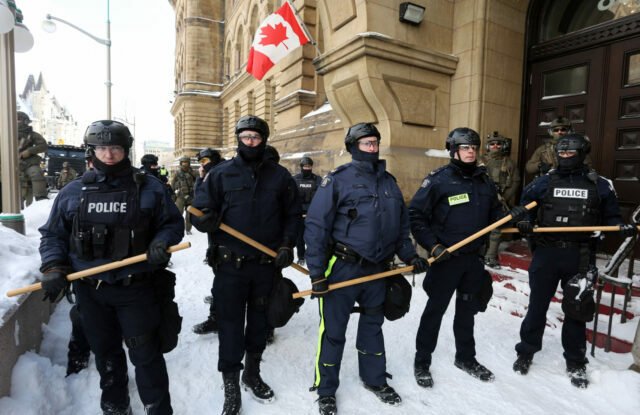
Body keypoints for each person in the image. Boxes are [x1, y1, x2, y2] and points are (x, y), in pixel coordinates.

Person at [38, 120, 184, 414]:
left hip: (136, 289)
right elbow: (53, 235)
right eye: (101, 148)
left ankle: (158, 409)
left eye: (115, 148)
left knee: (146, 354)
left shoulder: (150, 188)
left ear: (126, 150)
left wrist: (162, 241)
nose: (109, 155)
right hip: (91, 291)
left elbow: (171, 224)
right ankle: (116, 406)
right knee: (106, 354)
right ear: (91, 151)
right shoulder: (72, 192)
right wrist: (53, 267)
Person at [305, 122, 429, 415]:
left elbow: (400, 227)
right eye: (366, 143)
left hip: (378, 270)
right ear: (353, 147)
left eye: (375, 143)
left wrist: (410, 256)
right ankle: (326, 390)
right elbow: (316, 226)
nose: (372, 148)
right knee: (333, 332)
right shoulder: (337, 180)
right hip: (343, 268)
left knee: (373, 327)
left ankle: (374, 379)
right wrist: (317, 272)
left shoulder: (389, 182)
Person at [190, 115, 301, 414]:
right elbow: (198, 210)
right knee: (229, 326)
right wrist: (204, 219)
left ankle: (252, 373)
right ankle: (231, 383)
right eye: (245, 137)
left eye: (256, 137)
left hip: (265, 266)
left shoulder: (280, 177)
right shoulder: (220, 174)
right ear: (239, 139)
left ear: (264, 140)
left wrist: (287, 244)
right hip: (230, 267)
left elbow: (292, 215)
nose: (250, 142)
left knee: (259, 324)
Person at [512, 133, 635, 388]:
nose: (565, 157)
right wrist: (524, 222)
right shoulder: (543, 182)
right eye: (562, 153)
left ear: (581, 154)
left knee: (577, 310)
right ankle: (526, 351)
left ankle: (576, 362)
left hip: (580, 255)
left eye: (570, 153)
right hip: (547, 254)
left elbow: (611, 217)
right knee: (537, 307)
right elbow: (525, 210)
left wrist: (620, 227)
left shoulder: (601, 185)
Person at [409, 127, 526, 388]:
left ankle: (465, 358)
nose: (470, 152)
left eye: (473, 147)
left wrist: (512, 217)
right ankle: (422, 361)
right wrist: (433, 246)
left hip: (473, 259)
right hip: (446, 259)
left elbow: (495, 214)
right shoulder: (439, 180)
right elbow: (416, 215)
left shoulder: (484, 181)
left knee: (467, 312)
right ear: (453, 150)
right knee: (434, 311)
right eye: (465, 148)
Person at [192, 147, 224, 335]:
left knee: (223, 274)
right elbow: (200, 201)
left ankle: (217, 317)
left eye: (205, 161)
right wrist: (200, 178)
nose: (203, 165)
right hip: (214, 231)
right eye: (201, 162)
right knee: (217, 269)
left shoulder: (222, 173)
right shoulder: (209, 174)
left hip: (227, 232)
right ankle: (218, 305)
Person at [480, 131, 520, 268]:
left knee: (496, 229)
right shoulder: (480, 161)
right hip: (482, 199)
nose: (495, 146)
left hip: (500, 200)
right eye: (492, 144)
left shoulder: (509, 162)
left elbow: (515, 181)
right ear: (488, 146)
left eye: (498, 144)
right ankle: (479, 253)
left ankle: (490, 256)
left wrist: (504, 197)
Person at [525, 116, 592, 177]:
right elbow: (529, 168)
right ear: (551, 132)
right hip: (549, 181)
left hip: (571, 180)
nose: (559, 132)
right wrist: (539, 165)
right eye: (556, 130)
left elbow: (588, 166)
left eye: (563, 129)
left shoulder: (577, 147)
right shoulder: (543, 149)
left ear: (569, 131)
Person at [293, 156, 321, 266]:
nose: (307, 168)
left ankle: (312, 257)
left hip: (313, 214)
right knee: (299, 238)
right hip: (299, 214)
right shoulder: (295, 179)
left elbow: (322, 196)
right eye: (305, 166)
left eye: (309, 166)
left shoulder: (317, 179)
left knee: (313, 238)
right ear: (301, 167)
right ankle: (301, 257)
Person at [17, 111, 48, 206]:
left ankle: (41, 198)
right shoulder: (6, 133)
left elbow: (43, 146)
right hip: (10, 163)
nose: (17, 122)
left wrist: (29, 151)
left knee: (36, 172)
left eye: (19, 120)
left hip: (28, 163)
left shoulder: (32, 135)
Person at [171, 156, 197, 235]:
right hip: (181, 196)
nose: (185, 164)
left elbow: (198, 183)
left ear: (189, 163)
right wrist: (172, 196)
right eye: (183, 162)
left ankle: (188, 229)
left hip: (191, 197)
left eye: (186, 162)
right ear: (181, 163)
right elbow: (172, 184)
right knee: (178, 214)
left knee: (189, 215)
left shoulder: (193, 172)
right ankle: (177, 228)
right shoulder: (177, 173)